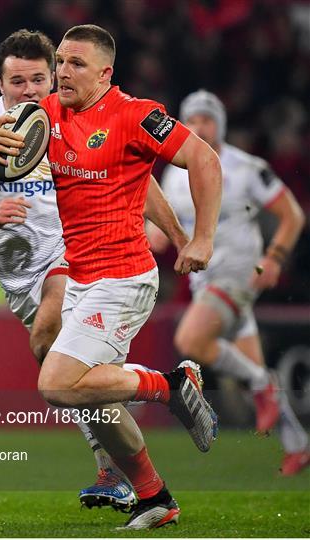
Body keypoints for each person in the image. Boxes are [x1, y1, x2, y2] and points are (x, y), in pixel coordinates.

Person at [0, 28, 196, 516]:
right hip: (17, 272)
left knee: (52, 334)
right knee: (69, 377)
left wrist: (178, 237)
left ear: (55, 76)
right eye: (17, 81)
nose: (29, 91)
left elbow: (136, 179)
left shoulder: (77, 115)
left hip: (76, 254)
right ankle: (142, 484)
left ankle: (148, 420)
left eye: (39, 80)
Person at [148, 89, 309, 476]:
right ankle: (298, 445)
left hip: (239, 272)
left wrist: (274, 258)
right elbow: (160, 235)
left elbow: (293, 215)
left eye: (208, 119)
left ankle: (262, 385)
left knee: (190, 340)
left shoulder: (245, 167)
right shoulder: (174, 172)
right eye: (193, 119)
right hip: (206, 280)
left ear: (220, 124)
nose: (200, 126)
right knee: (253, 366)